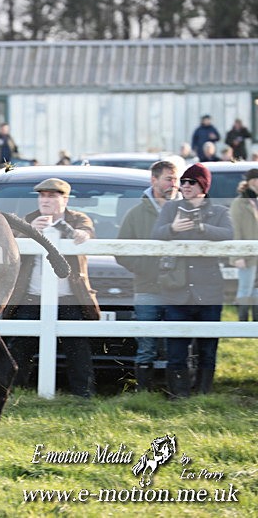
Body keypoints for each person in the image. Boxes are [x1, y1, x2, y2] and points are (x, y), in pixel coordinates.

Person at [2, 178, 100, 398]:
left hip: (69, 297)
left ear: (64, 199)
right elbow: (10, 242)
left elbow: (87, 230)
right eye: (42, 195)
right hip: (32, 296)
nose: (45, 200)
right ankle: (13, 394)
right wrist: (28, 232)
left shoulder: (77, 219)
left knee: (78, 348)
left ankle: (84, 396)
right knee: (20, 347)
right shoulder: (28, 219)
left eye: (52, 196)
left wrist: (82, 235)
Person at [151, 164, 233, 398]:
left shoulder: (219, 211)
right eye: (183, 182)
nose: (185, 186)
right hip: (176, 290)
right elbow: (156, 234)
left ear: (203, 187)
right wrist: (173, 228)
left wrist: (202, 227)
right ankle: (179, 395)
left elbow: (228, 234)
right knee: (176, 347)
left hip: (209, 291)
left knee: (208, 347)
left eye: (191, 182)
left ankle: (204, 394)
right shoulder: (171, 209)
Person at [115, 157, 181, 391]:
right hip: (147, 287)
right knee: (146, 344)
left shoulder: (187, 211)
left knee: (179, 341)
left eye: (176, 179)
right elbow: (121, 252)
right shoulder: (135, 214)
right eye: (169, 179)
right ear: (154, 180)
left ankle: (176, 392)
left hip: (181, 290)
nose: (174, 184)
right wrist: (147, 268)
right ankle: (144, 392)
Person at [229, 167, 258, 321]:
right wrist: (238, 254)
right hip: (246, 254)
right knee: (245, 288)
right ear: (253, 181)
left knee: (256, 289)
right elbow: (235, 230)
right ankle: (242, 322)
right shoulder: (239, 202)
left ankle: (255, 324)